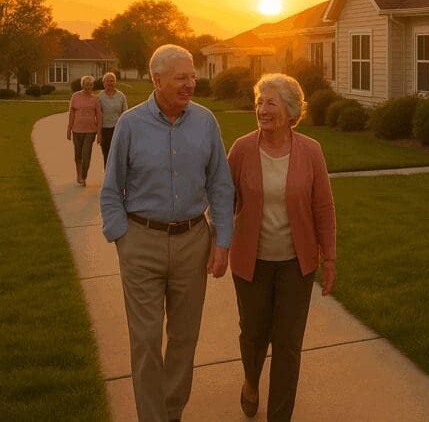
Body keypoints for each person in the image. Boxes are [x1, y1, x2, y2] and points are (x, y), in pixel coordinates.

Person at [100, 44, 234, 422]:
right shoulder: (129, 124)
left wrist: (222, 241)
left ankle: (172, 410)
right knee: (145, 341)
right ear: (157, 80)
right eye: (181, 78)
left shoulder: (206, 121)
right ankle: (152, 417)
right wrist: (123, 238)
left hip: (194, 241)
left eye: (192, 76)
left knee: (184, 337)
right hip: (141, 241)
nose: (190, 83)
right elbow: (112, 189)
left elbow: (221, 184)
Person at [227, 73, 337, 420]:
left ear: (290, 111)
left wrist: (329, 257)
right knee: (253, 335)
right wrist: (216, 244)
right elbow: (225, 200)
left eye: (270, 102)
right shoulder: (242, 149)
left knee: (288, 343)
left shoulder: (310, 151)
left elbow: (323, 206)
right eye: (259, 102)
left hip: (296, 263)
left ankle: (279, 415)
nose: (262, 108)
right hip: (251, 262)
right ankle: (250, 381)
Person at [67, 74, 102, 186]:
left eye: (91, 84)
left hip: (90, 131)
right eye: (86, 84)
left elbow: (99, 115)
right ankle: (79, 175)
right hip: (76, 130)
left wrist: (99, 132)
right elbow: (72, 112)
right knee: (78, 155)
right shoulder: (75, 96)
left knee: (86, 155)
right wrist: (69, 128)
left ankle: (83, 176)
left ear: (92, 86)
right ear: (83, 85)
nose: (88, 86)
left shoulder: (96, 99)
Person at [98, 71, 129, 166]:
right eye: (107, 81)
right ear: (104, 83)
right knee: (106, 152)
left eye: (112, 81)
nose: (109, 83)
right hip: (105, 128)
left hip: (118, 128)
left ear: (115, 82)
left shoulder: (121, 96)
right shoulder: (100, 96)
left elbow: (125, 113)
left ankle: (117, 174)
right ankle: (108, 174)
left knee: (118, 152)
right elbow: (98, 114)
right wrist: (98, 133)